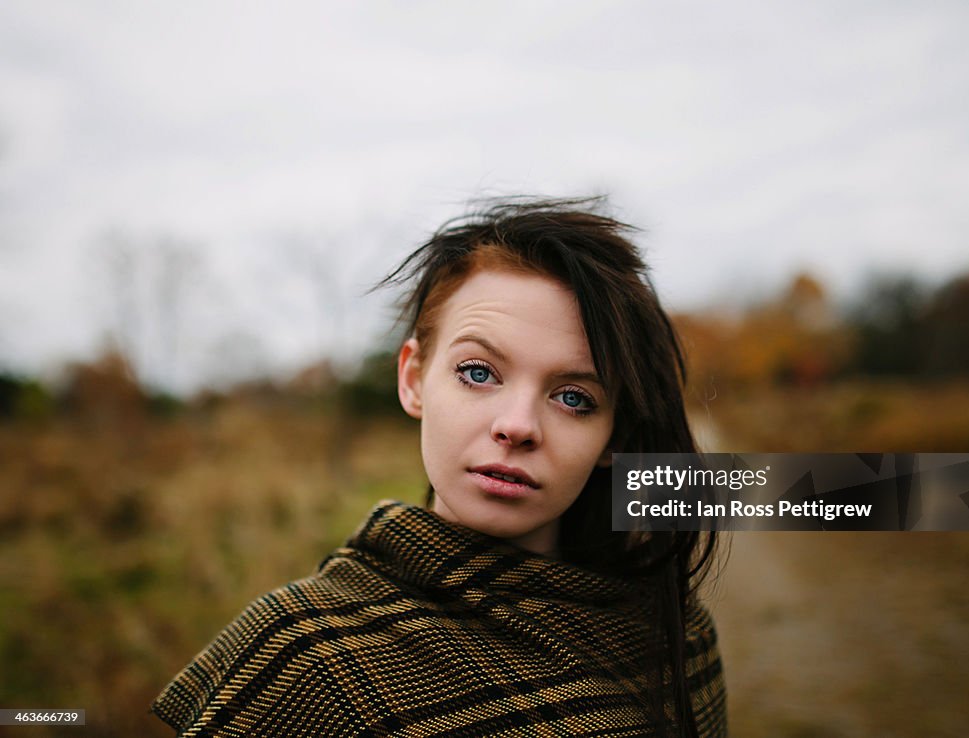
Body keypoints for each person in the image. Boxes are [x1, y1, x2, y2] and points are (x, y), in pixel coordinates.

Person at [152, 198, 726, 737]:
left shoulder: (671, 624)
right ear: (412, 379)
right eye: (478, 372)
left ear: (613, 437)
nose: (518, 425)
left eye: (574, 398)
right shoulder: (309, 661)